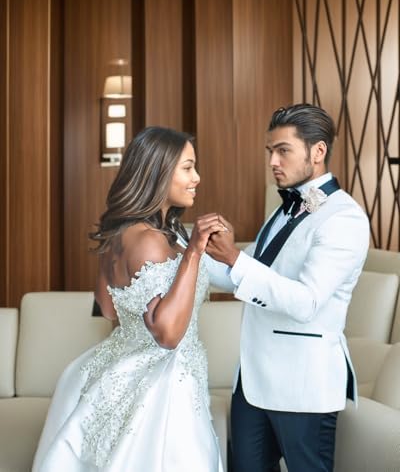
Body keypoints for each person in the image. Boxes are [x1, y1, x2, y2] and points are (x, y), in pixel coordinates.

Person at [32, 126, 226, 472]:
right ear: (157, 173)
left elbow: (108, 309)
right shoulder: (152, 241)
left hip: (118, 367)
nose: (197, 177)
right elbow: (168, 335)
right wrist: (194, 252)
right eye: (187, 168)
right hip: (165, 383)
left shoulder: (122, 235)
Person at [205, 104, 370, 472]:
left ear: (318, 151)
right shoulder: (282, 210)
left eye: (283, 150)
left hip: (303, 386)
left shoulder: (344, 218)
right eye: (270, 151)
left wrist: (234, 257)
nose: (273, 162)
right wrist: (183, 255)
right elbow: (244, 273)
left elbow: (306, 301)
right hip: (252, 383)